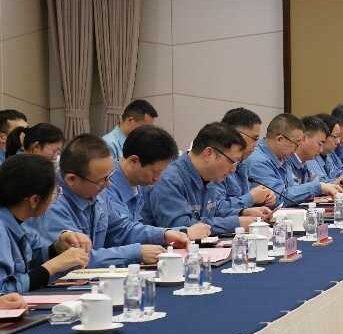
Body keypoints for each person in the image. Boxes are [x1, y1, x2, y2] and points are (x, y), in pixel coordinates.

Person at [34, 134, 187, 266]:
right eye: (101, 180)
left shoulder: (97, 194)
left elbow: (121, 229)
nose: (108, 184)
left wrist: (163, 234)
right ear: (72, 179)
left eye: (109, 176)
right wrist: (136, 253)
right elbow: (75, 259)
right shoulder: (53, 205)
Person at [145, 122, 267, 233]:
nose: (233, 169)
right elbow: (182, 227)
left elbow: (213, 211)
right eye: (232, 161)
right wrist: (235, 223)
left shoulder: (210, 177)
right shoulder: (169, 179)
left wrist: (242, 212)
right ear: (209, 153)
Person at [0, 154, 90, 292]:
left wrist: (56, 249)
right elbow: (4, 290)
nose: (55, 198)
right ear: (34, 200)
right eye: (54, 193)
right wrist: (52, 266)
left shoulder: (19, 221)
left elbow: (31, 259)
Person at [104, 125, 212, 238]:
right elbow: (123, 232)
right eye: (155, 172)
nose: (157, 179)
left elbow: (138, 228)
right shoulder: (106, 186)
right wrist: (178, 233)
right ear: (134, 161)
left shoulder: (138, 184)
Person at [244, 113, 343, 206]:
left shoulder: (283, 156)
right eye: (296, 143)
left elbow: (292, 190)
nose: (298, 148)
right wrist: (318, 187)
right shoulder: (258, 161)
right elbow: (279, 198)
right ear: (280, 139)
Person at [208, 108, 276, 218]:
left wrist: (263, 199)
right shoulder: (215, 162)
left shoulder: (242, 163)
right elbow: (215, 210)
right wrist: (251, 198)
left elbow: (241, 206)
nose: (256, 145)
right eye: (254, 138)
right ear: (237, 135)